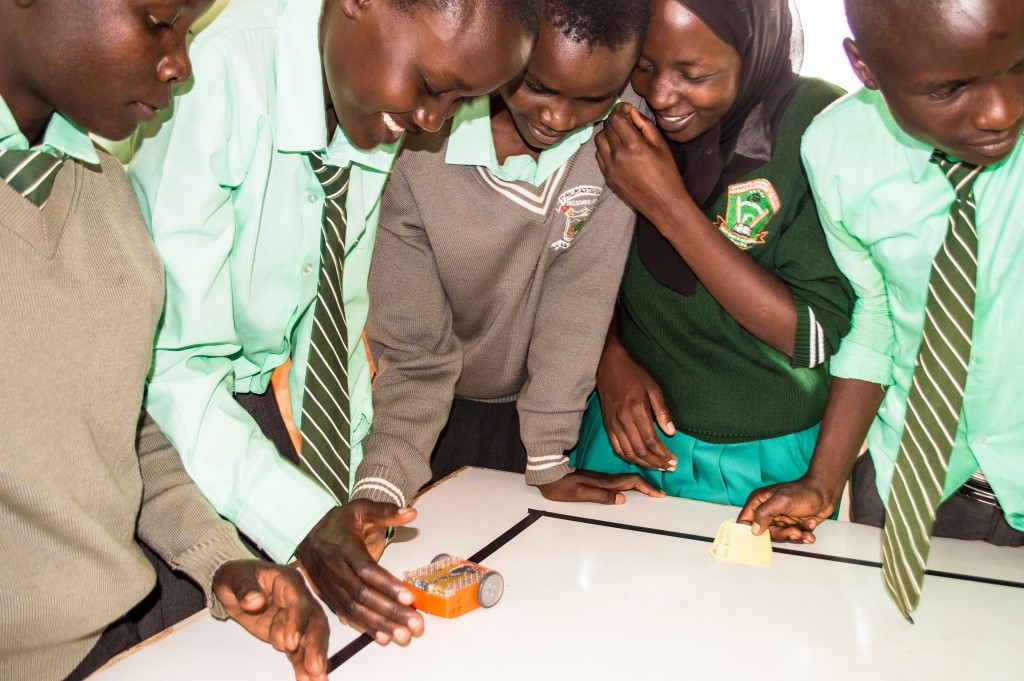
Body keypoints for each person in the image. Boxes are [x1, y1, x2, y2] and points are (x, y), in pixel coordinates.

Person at [127, 0, 540, 645]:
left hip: (257, 410)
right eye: (431, 86)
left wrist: (349, 501)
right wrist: (302, 518)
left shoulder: (366, 104)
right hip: (163, 438)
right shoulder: (212, 75)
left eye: (460, 101)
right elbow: (172, 369)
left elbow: (334, 321)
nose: (431, 120)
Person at [0, 1, 329, 680]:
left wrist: (219, 556)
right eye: (158, 19)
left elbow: (122, 429)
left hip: (116, 640)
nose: (179, 63)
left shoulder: (103, 191)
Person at [739, 0, 1023, 612]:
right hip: (915, 485)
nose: (1002, 110)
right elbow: (877, 316)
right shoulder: (837, 148)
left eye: (1020, 65)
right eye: (947, 88)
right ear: (865, 68)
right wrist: (823, 480)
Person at [361, 0, 661, 510]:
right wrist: (382, 486)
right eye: (538, 85)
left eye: (594, 97)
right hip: (412, 407)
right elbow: (413, 352)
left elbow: (579, 300)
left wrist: (547, 454)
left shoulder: (622, 132)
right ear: (500, 48)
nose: (558, 118)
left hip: (536, 413)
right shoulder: (418, 142)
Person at [571, 0, 854, 518]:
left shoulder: (819, 126)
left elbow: (812, 335)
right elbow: (577, 256)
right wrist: (607, 356)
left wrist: (670, 207)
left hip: (767, 465)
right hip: (623, 435)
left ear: (753, 50)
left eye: (694, 73)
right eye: (645, 64)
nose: (659, 95)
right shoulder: (619, 106)